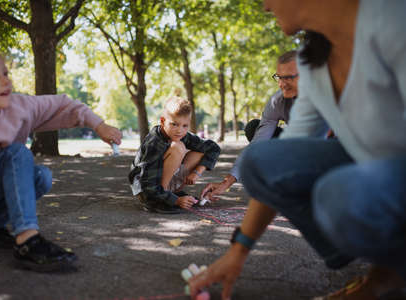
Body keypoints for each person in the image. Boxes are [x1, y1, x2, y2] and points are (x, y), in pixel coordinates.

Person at [189, 0, 406, 299]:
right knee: (259, 161)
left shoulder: (394, 19)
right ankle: (388, 270)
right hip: (373, 163)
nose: (265, 6)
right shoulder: (313, 61)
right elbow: (277, 163)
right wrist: (238, 251)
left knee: (338, 193)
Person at [0, 41, 122, 272]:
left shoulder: (18, 106)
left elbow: (63, 104)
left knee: (40, 177)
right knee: (16, 153)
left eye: (5, 73)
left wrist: (99, 125)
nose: (5, 81)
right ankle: (28, 241)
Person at [200, 51, 299, 201]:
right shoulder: (277, 101)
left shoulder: (330, 97)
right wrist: (226, 183)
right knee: (253, 128)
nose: (281, 84)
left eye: (289, 77)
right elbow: (258, 142)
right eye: (279, 77)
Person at [129, 96, 220, 214]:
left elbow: (213, 148)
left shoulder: (181, 134)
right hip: (148, 191)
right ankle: (162, 200)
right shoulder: (154, 143)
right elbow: (148, 185)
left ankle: (170, 193)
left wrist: (196, 172)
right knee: (178, 147)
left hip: (162, 184)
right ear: (162, 121)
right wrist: (176, 201)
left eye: (185, 126)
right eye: (174, 124)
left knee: (199, 152)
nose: (179, 130)